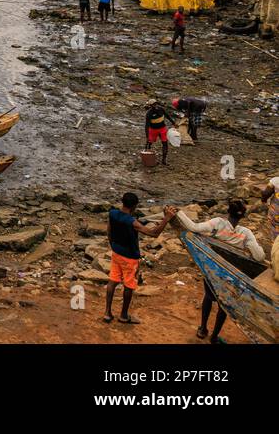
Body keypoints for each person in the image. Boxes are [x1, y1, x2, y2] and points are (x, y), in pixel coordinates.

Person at [177, 200, 264, 342]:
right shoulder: (245, 233)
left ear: (228, 212)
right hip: (232, 276)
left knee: (208, 297)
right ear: (243, 216)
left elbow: (193, 227)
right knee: (224, 305)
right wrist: (249, 245)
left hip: (213, 270)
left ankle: (203, 328)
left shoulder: (217, 223)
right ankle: (215, 336)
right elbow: (259, 256)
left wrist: (179, 212)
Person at [104, 193, 174, 325]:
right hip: (130, 257)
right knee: (129, 285)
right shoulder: (132, 222)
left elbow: (109, 231)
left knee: (112, 281)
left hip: (116, 252)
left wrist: (113, 245)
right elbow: (154, 233)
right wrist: (167, 218)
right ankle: (123, 315)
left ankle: (107, 313)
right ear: (135, 206)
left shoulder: (112, 213)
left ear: (122, 202)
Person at [144, 100, 170, 165]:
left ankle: (164, 160)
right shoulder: (149, 113)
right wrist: (147, 136)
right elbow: (147, 126)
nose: (155, 105)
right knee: (149, 143)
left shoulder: (161, 109)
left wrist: (174, 123)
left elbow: (167, 116)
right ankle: (147, 157)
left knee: (165, 143)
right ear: (150, 106)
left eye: (156, 104)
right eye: (153, 104)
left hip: (162, 129)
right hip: (153, 130)